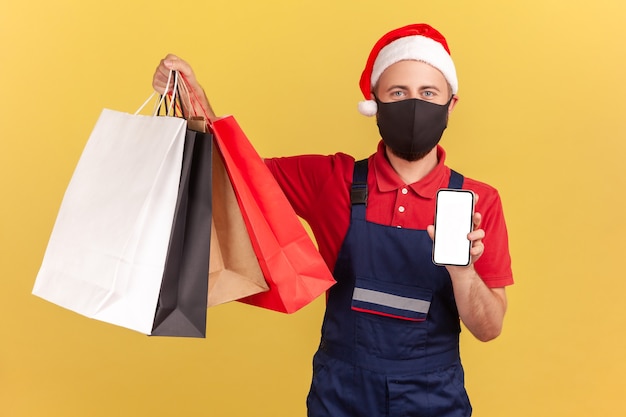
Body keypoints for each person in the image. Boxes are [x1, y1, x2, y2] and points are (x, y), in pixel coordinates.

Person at [153, 23, 513, 417]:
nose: (414, 105)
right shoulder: (332, 179)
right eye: (398, 93)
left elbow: (488, 328)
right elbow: (236, 173)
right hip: (342, 393)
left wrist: (461, 272)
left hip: (433, 397)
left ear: (451, 104)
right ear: (374, 101)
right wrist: (196, 102)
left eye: (428, 93)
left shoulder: (479, 201)